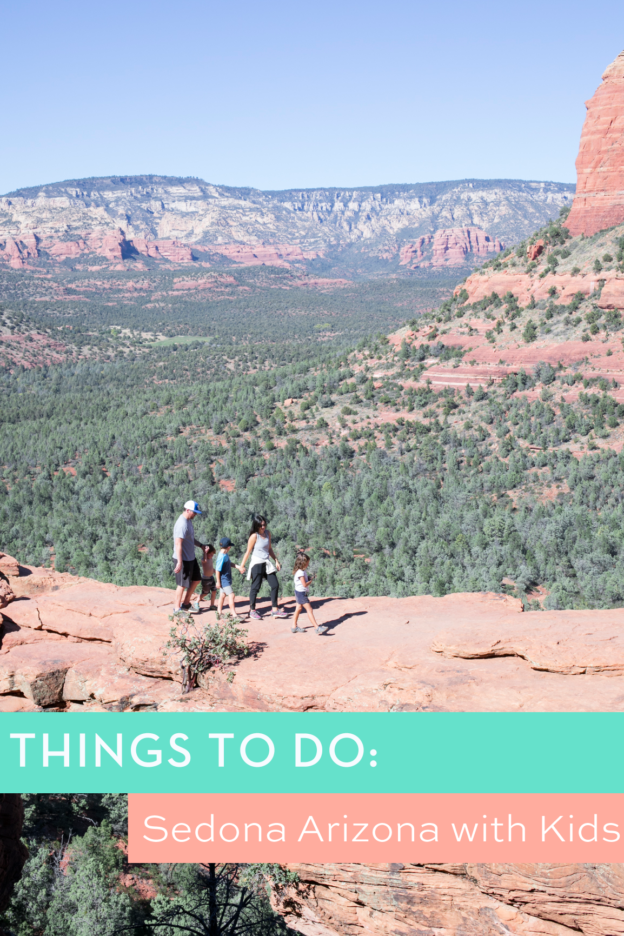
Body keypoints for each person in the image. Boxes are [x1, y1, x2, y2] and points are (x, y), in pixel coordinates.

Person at [238, 514, 287, 620]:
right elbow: (248, 552)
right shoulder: (254, 536)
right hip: (257, 563)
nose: (263, 527)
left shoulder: (268, 533)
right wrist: (242, 566)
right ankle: (252, 611)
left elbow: (269, 549)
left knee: (275, 584)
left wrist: (276, 561)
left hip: (267, 562)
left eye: (264, 524)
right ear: (256, 526)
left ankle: (274, 610)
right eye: (261, 525)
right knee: (255, 587)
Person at [172, 500, 206, 615]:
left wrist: (201, 545)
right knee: (182, 584)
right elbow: (178, 543)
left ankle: (186, 604)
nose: (195, 514)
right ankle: (177, 609)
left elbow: (190, 539)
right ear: (187, 510)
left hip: (190, 557)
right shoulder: (182, 524)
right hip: (183, 559)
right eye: (194, 512)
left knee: (196, 579)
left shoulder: (188, 521)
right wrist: (179, 562)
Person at [292, 552, 322, 633]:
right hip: (301, 594)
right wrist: (310, 581)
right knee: (309, 610)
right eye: (307, 563)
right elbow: (304, 584)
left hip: (298, 592)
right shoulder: (301, 572)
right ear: (303, 563)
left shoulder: (300, 571)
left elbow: (302, 581)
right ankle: (317, 628)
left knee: (298, 609)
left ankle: (294, 626)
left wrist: (307, 578)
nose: (308, 565)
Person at [215, 537, 240, 619]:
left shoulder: (225, 554)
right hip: (224, 580)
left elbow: (229, 564)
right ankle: (234, 614)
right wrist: (218, 582)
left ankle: (219, 613)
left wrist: (238, 567)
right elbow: (217, 570)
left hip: (225, 579)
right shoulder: (221, 557)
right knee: (231, 595)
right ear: (229, 547)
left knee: (222, 595)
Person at [200, 544, 217, 610]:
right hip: (206, 579)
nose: (212, 556)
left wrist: (215, 571)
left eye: (213, 554)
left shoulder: (211, 559)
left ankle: (212, 605)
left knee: (214, 591)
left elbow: (211, 568)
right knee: (205, 593)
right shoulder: (204, 559)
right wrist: (205, 552)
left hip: (211, 578)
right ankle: (196, 601)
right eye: (211, 554)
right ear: (207, 553)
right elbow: (205, 560)